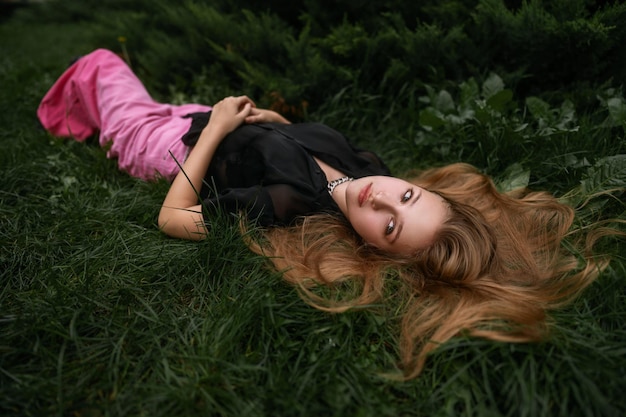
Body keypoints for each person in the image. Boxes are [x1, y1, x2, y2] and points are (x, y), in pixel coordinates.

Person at [37, 49, 620, 379]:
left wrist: (216, 129)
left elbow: (173, 217)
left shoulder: (288, 208)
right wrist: (273, 124)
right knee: (114, 85)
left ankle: (83, 124)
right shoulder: (367, 164)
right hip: (205, 120)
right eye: (408, 196)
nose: (381, 197)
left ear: (376, 249)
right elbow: (304, 151)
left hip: (167, 147)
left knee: (101, 64)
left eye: (389, 225)